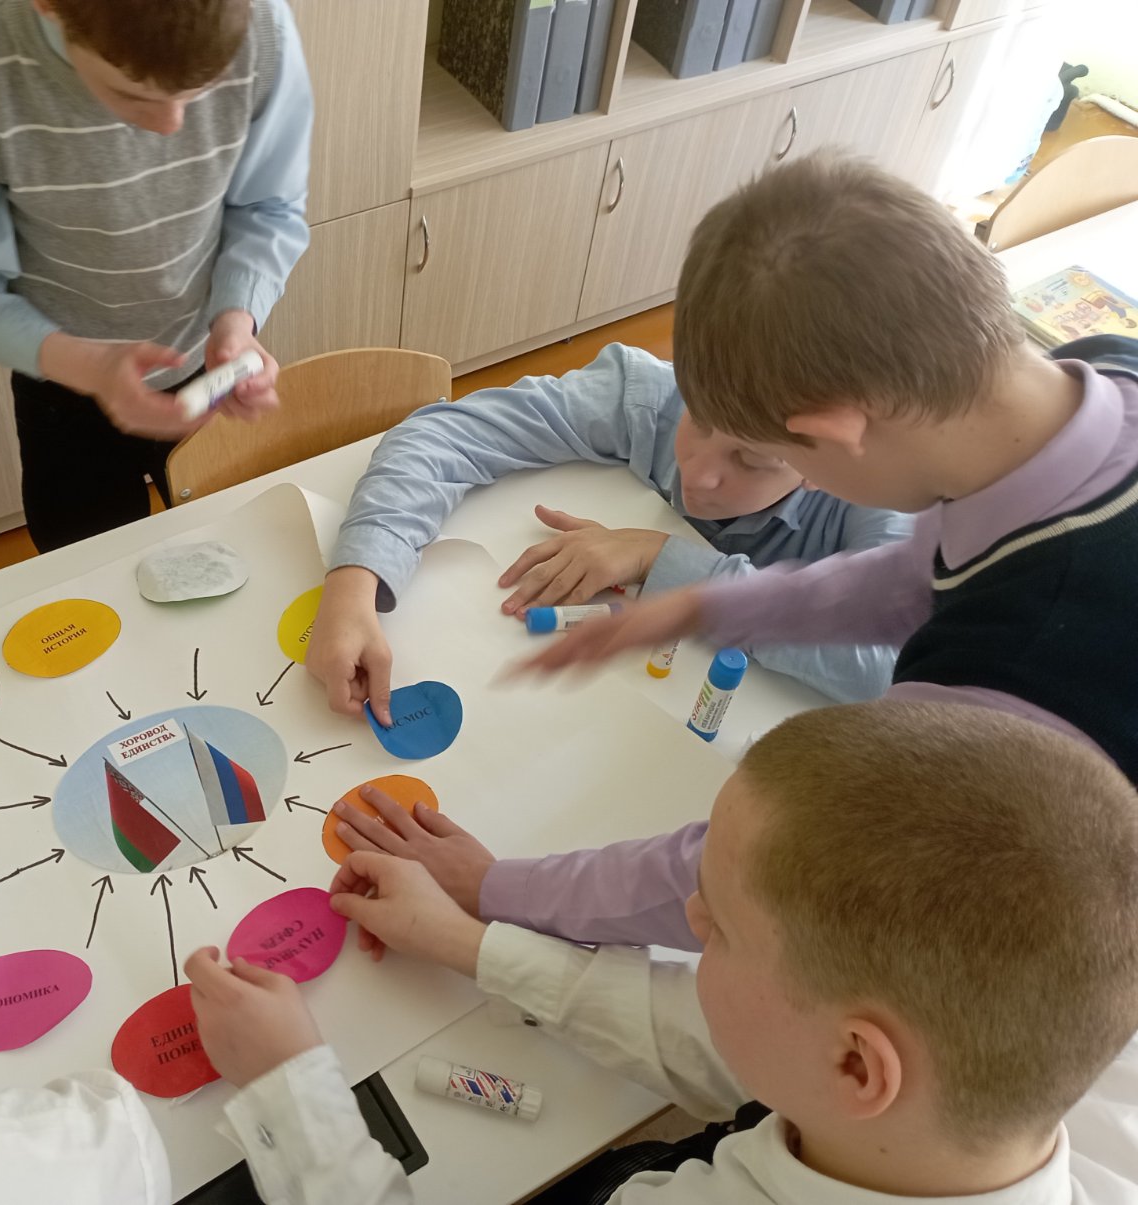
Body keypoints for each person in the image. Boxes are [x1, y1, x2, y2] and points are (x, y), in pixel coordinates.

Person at [188, 702, 1138, 1203]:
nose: (685, 913)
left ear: (857, 1063)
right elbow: (729, 1047)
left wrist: (290, 1090)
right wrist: (468, 941)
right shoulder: (991, 1086)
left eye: (715, 926)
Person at [517, 154, 1138, 784]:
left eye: (776, 456)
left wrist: (505, 877)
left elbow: (807, 833)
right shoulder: (1105, 367)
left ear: (835, 434)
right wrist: (704, 606)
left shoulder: (998, 669)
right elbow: (919, 576)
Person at [0, 0, 312, 552]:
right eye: (131, 95)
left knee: (241, 554)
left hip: (205, 366)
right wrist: (91, 367)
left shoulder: (261, 26)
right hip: (64, 392)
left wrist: (236, 320)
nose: (170, 126)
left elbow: (268, 206)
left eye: (201, 91)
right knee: (88, 574)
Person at [305, 343, 912, 718]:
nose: (698, 474)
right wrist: (355, 583)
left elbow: (896, 665)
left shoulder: (893, 497)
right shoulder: (652, 395)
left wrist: (662, 557)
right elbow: (441, 436)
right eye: (701, 421)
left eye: (751, 460)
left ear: (827, 467)